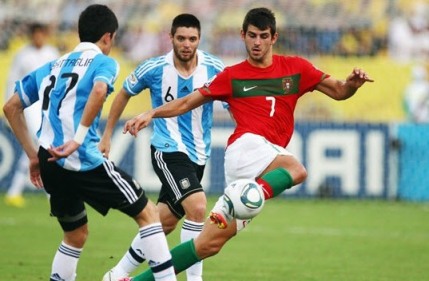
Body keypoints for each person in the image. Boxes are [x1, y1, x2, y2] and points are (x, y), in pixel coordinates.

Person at [120, 7, 374, 281]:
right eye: (251, 35)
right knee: (297, 169)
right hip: (246, 147)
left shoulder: (297, 69)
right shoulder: (232, 76)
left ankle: (133, 280)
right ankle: (246, 196)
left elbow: (339, 91)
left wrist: (353, 85)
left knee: (207, 245)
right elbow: (186, 102)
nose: (257, 42)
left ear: (273, 37)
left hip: (255, 169)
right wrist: (151, 112)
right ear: (242, 35)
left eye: (263, 36)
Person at [2, 4, 177, 281]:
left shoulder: (53, 64)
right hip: (82, 159)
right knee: (148, 214)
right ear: (108, 37)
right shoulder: (105, 62)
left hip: (49, 161)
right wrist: (78, 139)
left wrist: (32, 154)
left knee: (75, 235)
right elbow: (98, 89)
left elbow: (11, 107)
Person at [99, 13, 224, 281]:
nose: (186, 44)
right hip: (167, 149)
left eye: (192, 39)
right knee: (198, 207)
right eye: (181, 38)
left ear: (199, 39)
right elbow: (123, 93)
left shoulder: (215, 67)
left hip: (198, 154)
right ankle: (194, 279)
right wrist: (107, 134)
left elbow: (233, 101)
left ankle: (116, 274)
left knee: (162, 222)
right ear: (171, 38)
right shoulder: (153, 68)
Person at [4, 22, 60, 208]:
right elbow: (12, 80)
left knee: (39, 145)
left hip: (47, 105)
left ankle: (14, 191)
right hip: (28, 105)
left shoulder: (52, 53)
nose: (39, 38)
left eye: (41, 34)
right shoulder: (22, 55)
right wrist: (8, 107)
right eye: (35, 34)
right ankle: (51, 193)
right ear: (32, 35)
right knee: (41, 142)